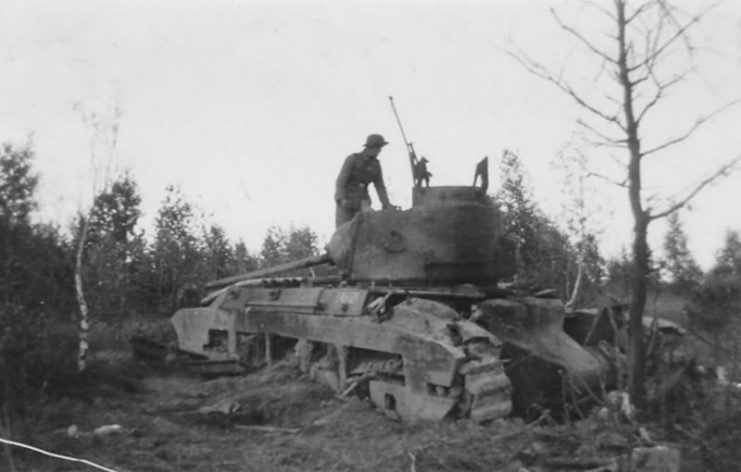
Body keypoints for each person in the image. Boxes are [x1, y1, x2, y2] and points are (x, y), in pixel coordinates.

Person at [334, 133, 395, 227]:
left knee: (367, 231)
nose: (380, 151)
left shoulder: (376, 165)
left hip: (363, 202)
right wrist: (341, 199)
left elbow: (380, 187)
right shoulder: (353, 159)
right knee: (343, 233)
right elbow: (341, 181)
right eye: (378, 148)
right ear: (372, 148)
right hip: (346, 202)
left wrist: (386, 205)